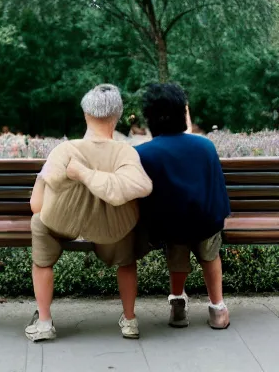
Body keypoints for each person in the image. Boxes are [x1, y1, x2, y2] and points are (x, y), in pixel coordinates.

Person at [74, 84, 231, 330]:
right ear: (183, 115)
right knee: (211, 257)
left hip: (169, 228)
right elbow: (217, 191)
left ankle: (178, 304)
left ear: (150, 119)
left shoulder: (144, 153)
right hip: (206, 221)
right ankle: (218, 308)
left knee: (177, 258)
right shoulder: (205, 147)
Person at [25, 84, 152, 342]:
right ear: (116, 116)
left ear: (85, 114)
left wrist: (81, 176)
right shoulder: (126, 152)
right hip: (112, 231)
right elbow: (141, 187)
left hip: (65, 225)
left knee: (39, 224)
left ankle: (45, 322)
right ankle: (129, 320)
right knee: (127, 247)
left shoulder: (64, 151)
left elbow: (36, 204)